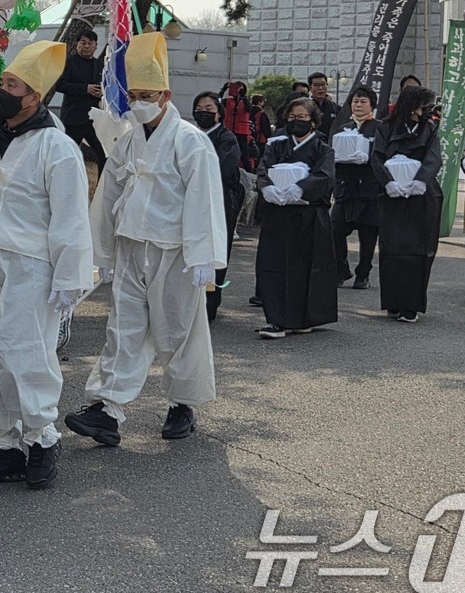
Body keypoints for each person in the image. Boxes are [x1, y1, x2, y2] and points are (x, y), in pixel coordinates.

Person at [64, 33, 225, 447]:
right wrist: (102, 250)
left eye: (147, 96)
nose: (139, 103)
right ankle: (108, 408)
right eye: (134, 96)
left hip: (175, 250)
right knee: (124, 327)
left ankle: (182, 403)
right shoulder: (130, 138)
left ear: (166, 96)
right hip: (132, 244)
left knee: (179, 328)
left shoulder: (191, 141)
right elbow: (109, 192)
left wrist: (204, 255)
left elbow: (205, 198)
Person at [0, 40, 92, 491]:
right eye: (4, 83)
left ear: (34, 96)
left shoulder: (57, 147)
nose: (3, 92)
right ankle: (5, 443)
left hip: (29, 265)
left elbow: (71, 217)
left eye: (12, 86)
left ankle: (41, 437)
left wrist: (69, 278)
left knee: (23, 352)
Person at [254, 97, 339, 339]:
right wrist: (267, 187)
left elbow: (325, 176)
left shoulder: (323, 149)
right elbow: (263, 169)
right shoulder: (276, 146)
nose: (296, 121)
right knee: (275, 264)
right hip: (278, 213)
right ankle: (278, 319)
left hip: (308, 215)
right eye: (292, 117)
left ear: (313, 121)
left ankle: (303, 318)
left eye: (302, 117)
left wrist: (300, 188)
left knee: (306, 267)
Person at [371, 85, 443, 322]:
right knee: (392, 247)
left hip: (422, 194)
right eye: (425, 105)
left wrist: (421, 180)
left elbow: (434, 158)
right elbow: (377, 157)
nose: (429, 110)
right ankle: (393, 301)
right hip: (392, 194)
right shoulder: (386, 127)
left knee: (419, 248)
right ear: (412, 106)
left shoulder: (430, 128)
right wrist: (388, 182)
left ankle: (411, 305)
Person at [191, 91, 242, 321]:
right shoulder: (189, 135)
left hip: (220, 198)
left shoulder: (226, 138)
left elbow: (222, 168)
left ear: (219, 114)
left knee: (216, 249)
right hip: (192, 199)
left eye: (209, 109)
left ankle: (210, 303)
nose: (203, 113)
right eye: (199, 109)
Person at [331, 85, 381, 289]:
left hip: (369, 188)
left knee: (368, 235)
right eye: (355, 101)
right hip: (345, 187)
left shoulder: (380, 128)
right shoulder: (343, 127)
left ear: (372, 105)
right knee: (335, 230)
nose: (358, 105)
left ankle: (363, 274)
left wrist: (368, 157)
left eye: (363, 101)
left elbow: (384, 155)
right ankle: (341, 270)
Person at [56, 27, 107, 165]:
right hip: (73, 117)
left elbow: (106, 87)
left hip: (94, 118)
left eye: (90, 43)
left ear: (96, 46)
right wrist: (85, 89)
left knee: (103, 155)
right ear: (76, 44)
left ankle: (101, 179)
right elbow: (59, 85)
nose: (86, 46)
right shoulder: (69, 62)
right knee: (66, 155)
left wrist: (101, 93)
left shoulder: (99, 65)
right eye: (83, 43)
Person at [308, 72, 339, 138]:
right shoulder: (305, 107)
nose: (320, 88)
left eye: (323, 84)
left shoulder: (334, 107)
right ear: (310, 88)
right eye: (316, 85)